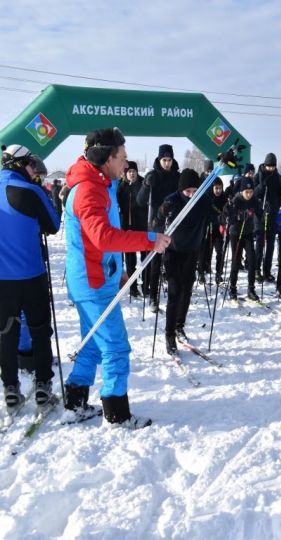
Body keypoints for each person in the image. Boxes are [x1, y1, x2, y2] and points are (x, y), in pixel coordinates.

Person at [64, 128, 171, 428]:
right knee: (115, 347)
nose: (126, 164)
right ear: (106, 158)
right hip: (91, 281)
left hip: (99, 275)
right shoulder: (87, 190)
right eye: (121, 158)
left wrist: (119, 266)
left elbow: (105, 234)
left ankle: (74, 401)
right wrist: (150, 239)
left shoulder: (102, 183)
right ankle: (117, 414)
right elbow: (102, 236)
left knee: (93, 343)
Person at [0, 145, 60, 411]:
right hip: (32, 273)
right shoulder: (31, 190)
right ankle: (43, 386)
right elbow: (54, 225)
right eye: (31, 165)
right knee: (39, 330)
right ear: (19, 164)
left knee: (6, 333)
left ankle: (10, 388)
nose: (34, 170)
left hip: (3, 279)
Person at [159, 169, 211, 354]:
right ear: (181, 190)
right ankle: (169, 334)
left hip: (192, 250)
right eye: (187, 191)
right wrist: (162, 212)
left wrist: (225, 214)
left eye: (194, 191)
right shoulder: (172, 200)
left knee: (187, 290)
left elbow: (214, 215)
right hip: (173, 251)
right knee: (174, 293)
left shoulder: (202, 200)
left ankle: (180, 325)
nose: (190, 195)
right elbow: (157, 219)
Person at [137, 144, 180, 313]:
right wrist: (146, 185)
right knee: (155, 264)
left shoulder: (177, 176)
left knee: (171, 263)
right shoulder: (152, 175)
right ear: (159, 159)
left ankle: (172, 296)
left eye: (169, 160)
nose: (167, 163)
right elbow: (140, 201)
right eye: (164, 160)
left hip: (174, 224)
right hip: (156, 224)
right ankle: (153, 297)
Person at [225, 176, 262, 302]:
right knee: (236, 261)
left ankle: (251, 289)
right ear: (241, 191)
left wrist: (265, 211)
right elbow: (229, 218)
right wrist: (238, 216)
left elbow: (260, 213)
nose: (249, 194)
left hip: (248, 233)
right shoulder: (236, 200)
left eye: (251, 192)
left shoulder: (254, 200)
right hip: (236, 234)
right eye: (247, 192)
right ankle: (233, 288)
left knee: (252, 260)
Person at [117, 161, 149, 298]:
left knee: (145, 258)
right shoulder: (121, 187)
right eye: (129, 172)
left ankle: (145, 285)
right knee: (130, 260)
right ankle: (133, 287)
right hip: (127, 228)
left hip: (142, 226)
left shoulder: (143, 184)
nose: (132, 174)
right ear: (126, 173)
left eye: (134, 172)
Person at [253, 153, 281, 283]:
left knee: (270, 245)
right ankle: (256, 270)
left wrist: (276, 205)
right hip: (260, 214)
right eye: (268, 166)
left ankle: (267, 270)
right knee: (260, 244)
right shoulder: (258, 176)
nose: (270, 168)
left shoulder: (278, 177)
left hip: (272, 213)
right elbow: (253, 194)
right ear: (265, 164)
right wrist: (262, 186)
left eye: (273, 166)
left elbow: (280, 194)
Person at [198, 178, 227, 284]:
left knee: (220, 251)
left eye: (220, 188)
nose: (218, 190)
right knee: (204, 250)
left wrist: (223, 223)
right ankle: (201, 273)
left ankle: (219, 274)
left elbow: (225, 213)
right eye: (216, 188)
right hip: (207, 227)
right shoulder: (207, 197)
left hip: (218, 228)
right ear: (212, 188)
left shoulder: (224, 198)